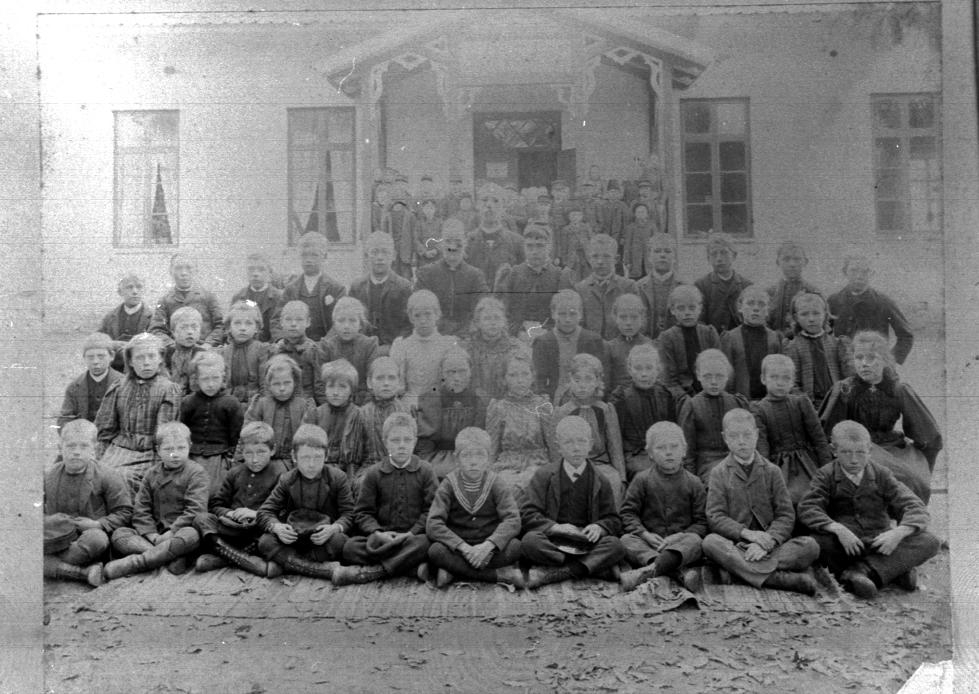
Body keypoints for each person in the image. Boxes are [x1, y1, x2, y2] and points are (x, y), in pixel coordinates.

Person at [798, 420, 940, 599]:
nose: (854, 460)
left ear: (870, 451)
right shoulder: (825, 475)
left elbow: (914, 505)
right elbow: (808, 507)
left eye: (860, 452)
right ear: (833, 450)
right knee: (816, 544)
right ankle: (894, 569)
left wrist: (898, 533)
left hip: (879, 542)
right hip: (846, 545)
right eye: (846, 452)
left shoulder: (882, 474)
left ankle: (861, 572)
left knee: (930, 541)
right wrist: (837, 529)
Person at [702, 409, 820, 595]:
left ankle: (738, 573)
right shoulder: (719, 473)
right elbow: (715, 517)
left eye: (747, 434)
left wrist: (767, 542)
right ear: (725, 438)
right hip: (737, 545)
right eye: (734, 436)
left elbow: (785, 515)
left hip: (770, 547)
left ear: (756, 435)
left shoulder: (772, 471)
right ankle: (776, 579)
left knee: (810, 546)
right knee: (710, 543)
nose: (741, 441)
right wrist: (748, 534)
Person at [818, 331, 940, 503]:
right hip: (859, 449)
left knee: (915, 479)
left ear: (884, 360)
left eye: (871, 358)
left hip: (893, 447)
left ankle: (909, 515)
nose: (864, 364)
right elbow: (826, 433)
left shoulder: (898, 389)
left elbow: (929, 435)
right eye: (859, 358)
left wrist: (923, 460)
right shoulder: (845, 390)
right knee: (894, 477)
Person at [520, 415, 626, 589]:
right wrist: (556, 527)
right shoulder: (544, 475)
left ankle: (561, 572)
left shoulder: (600, 479)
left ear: (590, 444)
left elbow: (613, 519)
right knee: (530, 541)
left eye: (581, 441)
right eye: (568, 442)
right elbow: (527, 513)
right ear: (558, 447)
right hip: (554, 541)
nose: (576, 448)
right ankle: (592, 567)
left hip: (585, 542)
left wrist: (599, 527)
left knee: (616, 546)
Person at [335, 413, 439, 586]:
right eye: (395, 440)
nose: (402, 445)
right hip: (382, 540)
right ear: (385, 442)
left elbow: (432, 510)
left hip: (413, 538)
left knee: (427, 544)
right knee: (349, 547)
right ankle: (411, 568)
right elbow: (363, 512)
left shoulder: (426, 471)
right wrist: (378, 533)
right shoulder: (374, 473)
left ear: (415, 441)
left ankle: (373, 572)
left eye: (407, 440)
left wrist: (411, 533)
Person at [103, 422, 208, 580]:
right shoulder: (151, 474)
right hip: (154, 535)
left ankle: (138, 562)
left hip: (179, 532)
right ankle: (169, 557)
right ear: (158, 450)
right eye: (168, 449)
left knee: (191, 535)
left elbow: (195, 510)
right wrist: (153, 536)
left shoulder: (197, 473)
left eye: (181, 448)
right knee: (120, 534)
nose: (175, 454)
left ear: (190, 447)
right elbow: (141, 509)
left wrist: (172, 532)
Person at [426, 427, 524, 588]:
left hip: (489, 549)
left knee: (516, 547)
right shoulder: (448, 484)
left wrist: (488, 546)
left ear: (488, 458)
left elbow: (512, 520)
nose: (473, 461)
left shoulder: (496, 483)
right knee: (436, 551)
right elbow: (433, 524)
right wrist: (464, 548)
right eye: (466, 455)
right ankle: (498, 575)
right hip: (459, 548)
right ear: (457, 459)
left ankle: (454, 572)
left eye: (480, 455)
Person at [255, 424, 355, 580]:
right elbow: (264, 512)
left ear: (326, 455)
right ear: (294, 456)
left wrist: (334, 528)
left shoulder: (338, 478)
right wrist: (277, 527)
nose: (311, 464)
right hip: (294, 539)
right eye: (305, 457)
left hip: (321, 540)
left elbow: (349, 513)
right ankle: (318, 569)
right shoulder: (287, 479)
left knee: (341, 542)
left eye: (318, 457)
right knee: (265, 542)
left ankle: (288, 564)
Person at [619, 421, 706, 592]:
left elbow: (702, 522)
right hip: (650, 544)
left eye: (674, 446)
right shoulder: (641, 479)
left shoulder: (694, 483)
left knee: (696, 541)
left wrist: (680, 536)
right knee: (625, 540)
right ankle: (676, 572)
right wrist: (645, 534)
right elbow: (628, 513)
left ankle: (648, 570)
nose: (668, 452)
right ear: (650, 453)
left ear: (684, 450)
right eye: (661, 448)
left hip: (680, 546)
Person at [192, 421, 287, 577]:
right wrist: (231, 513)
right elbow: (216, 505)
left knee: (271, 538)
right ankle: (245, 560)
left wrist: (255, 514)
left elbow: (282, 512)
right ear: (242, 451)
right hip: (231, 529)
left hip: (257, 531)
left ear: (272, 450)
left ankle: (223, 558)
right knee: (201, 519)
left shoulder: (280, 475)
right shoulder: (234, 473)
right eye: (248, 453)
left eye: (261, 452)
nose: (254, 459)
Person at [44, 420, 132, 587]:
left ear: (94, 449)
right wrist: (51, 521)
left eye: (84, 446)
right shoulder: (49, 475)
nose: (76, 452)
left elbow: (125, 512)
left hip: (88, 539)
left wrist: (98, 524)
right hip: (56, 538)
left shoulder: (108, 475)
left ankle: (50, 563)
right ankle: (83, 573)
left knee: (97, 539)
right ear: (60, 448)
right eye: (71, 446)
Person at [95, 333, 182, 494]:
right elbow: (105, 429)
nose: (146, 362)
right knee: (98, 475)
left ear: (160, 359)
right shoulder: (119, 387)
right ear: (130, 361)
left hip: (149, 452)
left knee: (123, 478)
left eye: (151, 356)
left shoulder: (168, 390)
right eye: (140, 357)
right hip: (119, 448)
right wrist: (98, 455)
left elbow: (164, 434)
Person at [750, 355, 832, 506]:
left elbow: (819, 439)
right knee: (786, 497)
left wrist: (827, 469)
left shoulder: (801, 402)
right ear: (763, 379)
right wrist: (766, 478)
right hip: (779, 467)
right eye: (774, 377)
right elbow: (762, 448)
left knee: (818, 493)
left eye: (786, 378)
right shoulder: (759, 410)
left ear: (793, 381)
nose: (780, 383)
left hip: (807, 463)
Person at [679, 350, 764, 485]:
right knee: (726, 480)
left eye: (719, 376)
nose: (714, 382)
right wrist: (692, 479)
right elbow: (688, 449)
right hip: (708, 463)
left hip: (738, 457)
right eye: (708, 376)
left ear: (727, 376)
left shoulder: (737, 402)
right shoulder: (692, 406)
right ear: (698, 376)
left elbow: (752, 437)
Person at [554, 354, 627, 507]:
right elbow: (557, 448)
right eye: (577, 380)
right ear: (570, 381)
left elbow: (615, 447)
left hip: (599, 463)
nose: (582, 385)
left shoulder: (605, 410)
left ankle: (610, 519)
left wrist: (621, 477)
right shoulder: (563, 411)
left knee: (612, 481)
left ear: (597, 381)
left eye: (588, 379)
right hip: (572, 463)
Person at [609, 343, 683, 481]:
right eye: (638, 368)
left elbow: (672, 430)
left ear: (658, 369)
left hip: (662, 450)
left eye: (649, 368)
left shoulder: (665, 395)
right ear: (630, 370)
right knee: (651, 475)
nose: (644, 374)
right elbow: (616, 439)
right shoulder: (621, 398)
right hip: (635, 454)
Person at [486, 351, 557, 490]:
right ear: (504, 379)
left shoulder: (542, 405)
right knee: (505, 486)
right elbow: (492, 448)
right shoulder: (498, 408)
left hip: (538, 464)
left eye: (525, 374)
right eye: (513, 375)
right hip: (507, 465)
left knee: (534, 482)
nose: (520, 380)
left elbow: (552, 444)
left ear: (532, 377)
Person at [827, 254, 913, 364]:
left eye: (865, 271)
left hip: (873, 365)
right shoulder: (834, 301)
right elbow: (825, 334)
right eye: (854, 270)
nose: (859, 276)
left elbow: (906, 335)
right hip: (842, 365)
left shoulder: (883, 302)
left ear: (872, 274)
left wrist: (890, 360)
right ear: (845, 272)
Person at [179, 352, 244, 497]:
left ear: (223, 378)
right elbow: (182, 430)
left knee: (215, 490)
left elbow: (235, 435)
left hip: (219, 457)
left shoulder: (231, 403)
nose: (210, 384)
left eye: (215, 378)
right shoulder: (188, 402)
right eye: (205, 379)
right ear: (196, 379)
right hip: (192, 455)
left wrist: (230, 457)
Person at [416, 347, 486, 479]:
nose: (456, 378)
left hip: (469, 456)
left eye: (462, 371)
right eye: (450, 372)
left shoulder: (477, 399)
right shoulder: (433, 398)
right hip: (438, 456)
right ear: (442, 373)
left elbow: (479, 440)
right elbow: (425, 443)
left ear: (470, 372)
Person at [414, 220, 489, 337]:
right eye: (448, 241)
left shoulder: (476, 276)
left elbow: (481, 311)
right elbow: (419, 310)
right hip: (434, 336)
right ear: (441, 244)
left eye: (458, 242)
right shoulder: (426, 274)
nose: (452, 247)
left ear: (465, 243)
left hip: (466, 337)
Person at [532, 289, 608, 402]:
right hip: (554, 400)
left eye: (573, 314)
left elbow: (601, 376)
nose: (567, 319)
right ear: (553, 313)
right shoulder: (543, 342)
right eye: (562, 314)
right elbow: (539, 380)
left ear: (580, 313)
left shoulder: (592, 340)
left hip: (587, 398)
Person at [243, 355, 316, 470]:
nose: (282, 388)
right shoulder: (260, 405)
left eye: (287, 383)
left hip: (295, 464)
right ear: (269, 385)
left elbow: (308, 440)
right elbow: (247, 436)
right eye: (276, 384)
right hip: (263, 463)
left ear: (295, 382)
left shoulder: (304, 406)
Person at [272, 231, 346, 342]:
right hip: (295, 345)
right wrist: (282, 339)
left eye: (314, 255)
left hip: (326, 345)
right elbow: (277, 320)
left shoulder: (336, 289)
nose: (308, 260)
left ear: (324, 257)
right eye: (304, 255)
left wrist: (326, 343)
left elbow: (342, 321)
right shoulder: (291, 289)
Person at [389, 290, 459, 405]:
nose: (423, 320)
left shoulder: (449, 344)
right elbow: (398, 386)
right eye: (417, 315)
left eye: (428, 314)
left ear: (437, 314)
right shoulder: (401, 345)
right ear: (410, 317)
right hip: (409, 403)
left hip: (439, 403)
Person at [493, 225, 563, 340]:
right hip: (518, 338)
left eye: (540, 246)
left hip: (550, 339)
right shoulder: (514, 274)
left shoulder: (559, 275)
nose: (534, 251)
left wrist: (547, 333)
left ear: (549, 247)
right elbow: (505, 313)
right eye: (529, 246)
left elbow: (563, 317)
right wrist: (518, 333)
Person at [348, 231, 413, 353]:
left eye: (385, 252)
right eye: (374, 252)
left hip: (393, 350)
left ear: (393, 255)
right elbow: (349, 320)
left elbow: (409, 325)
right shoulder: (357, 287)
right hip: (362, 351)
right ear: (366, 255)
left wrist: (395, 345)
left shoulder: (404, 287)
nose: (380, 257)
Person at [783, 292, 852, 405]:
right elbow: (792, 382)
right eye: (804, 314)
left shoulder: (837, 344)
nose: (811, 319)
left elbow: (849, 377)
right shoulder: (792, 347)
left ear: (825, 314)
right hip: (808, 405)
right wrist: (804, 403)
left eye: (816, 313)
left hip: (837, 403)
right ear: (796, 317)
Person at [305, 359, 365, 486]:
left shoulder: (359, 415)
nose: (336, 392)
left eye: (342, 386)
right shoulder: (316, 414)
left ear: (351, 390)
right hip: (318, 469)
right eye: (331, 386)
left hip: (349, 472)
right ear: (325, 388)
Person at [719, 285, 785, 400]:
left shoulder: (775, 338)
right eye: (750, 303)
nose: (756, 309)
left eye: (761, 304)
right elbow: (726, 375)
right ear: (740, 307)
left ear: (767, 310)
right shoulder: (730, 338)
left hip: (769, 401)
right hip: (739, 400)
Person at [657, 285, 721, 399]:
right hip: (679, 397)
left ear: (700, 308)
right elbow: (669, 380)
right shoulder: (667, 338)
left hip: (710, 392)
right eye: (681, 308)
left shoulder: (709, 333)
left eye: (692, 307)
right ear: (673, 310)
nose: (687, 313)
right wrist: (686, 400)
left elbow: (719, 368)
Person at [148, 254, 224, 347]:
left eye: (189, 268)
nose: (184, 273)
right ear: (171, 271)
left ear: (196, 270)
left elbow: (221, 326)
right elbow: (156, 330)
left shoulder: (208, 297)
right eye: (178, 268)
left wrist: (208, 344)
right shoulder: (164, 301)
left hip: (204, 350)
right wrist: (172, 345)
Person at [574, 234, 639, 341]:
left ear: (616, 259)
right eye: (595, 256)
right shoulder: (580, 289)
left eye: (606, 256)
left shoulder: (628, 287)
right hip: (590, 346)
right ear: (589, 259)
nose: (600, 261)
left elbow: (636, 323)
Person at [58, 332, 124, 432]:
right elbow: (64, 419)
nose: (95, 361)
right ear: (84, 358)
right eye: (90, 357)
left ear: (112, 356)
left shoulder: (123, 384)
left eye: (101, 356)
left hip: (114, 438)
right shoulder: (74, 387)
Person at [319, 297, 379, 406]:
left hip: (362, 404)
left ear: (360, 324)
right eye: (341, 321)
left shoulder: (369, 345)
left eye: (352, 321)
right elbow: (320, 384)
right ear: (334, 324)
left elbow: (372, 382)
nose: (346, 326)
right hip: (332, 403)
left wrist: (363, 407)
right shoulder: (327, 346)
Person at [465, 182, 526, 290]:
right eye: (484, 200)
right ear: (477, 205)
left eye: (496, 201)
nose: (489, 205)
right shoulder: (467, 242)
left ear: (504, 206)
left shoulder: (517, 242)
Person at [461, 297, 523, 401]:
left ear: (504, 321)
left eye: (497, 318)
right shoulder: (467, 348)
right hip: (474, 401)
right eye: (487, 318)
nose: (493, 323)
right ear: (477, 322)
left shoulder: (515, 348)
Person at [358, 356, 415, 467]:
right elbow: (354, 456)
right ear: (369, 382)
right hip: (370, 468)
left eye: (391, 378)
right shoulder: (361, 414)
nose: (386, 383)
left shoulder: (406, 412)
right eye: (380, 378)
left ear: (399, 381)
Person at [693, 233, 752, 334]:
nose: (719, 258)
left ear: (734, 256)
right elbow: (699, 321)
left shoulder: (746, 286)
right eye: (714, 254)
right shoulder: (701, 285)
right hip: (712, 338)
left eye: (724, 253)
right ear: (708, 258)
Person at [270, 300, 326, 406]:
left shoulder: (313, 350)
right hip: (280, 401)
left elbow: (320, 386)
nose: (293, 324)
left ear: (308, 322)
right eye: (288, 319)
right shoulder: (276, 350)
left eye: (299, 319)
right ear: (281, 322)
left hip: (306, 403)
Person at [219, 300, 271, 409]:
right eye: (237, 323)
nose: (243, 328)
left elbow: (265, 387)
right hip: (228, 405)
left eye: (248, 323)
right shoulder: (224, 353)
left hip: (254, 405)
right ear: (229, 327)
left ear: (256, 328)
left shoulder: (262, 350)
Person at [765, 241, 820, 339]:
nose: (792, 264)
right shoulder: (768, 293)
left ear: (805, 262)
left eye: (797, 259)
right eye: (786, 259)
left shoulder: (813, 292)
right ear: (778, 262)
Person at [99, 273, 152, 371]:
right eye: (129, 287)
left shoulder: (153, 317)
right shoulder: (110, 318)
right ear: (120, 292)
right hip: (114, 369)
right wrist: (113, 344)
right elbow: (99, 341)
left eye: (139, 287)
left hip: (142, 368)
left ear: (144, 290)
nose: (135, 292)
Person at [636, 234, 682, 340]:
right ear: (649, 257)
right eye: (657, 251)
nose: (662, 255)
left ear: (675, 257)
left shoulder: (684, 287)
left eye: (667, 251)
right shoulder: (638, 287)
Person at [605, 293, 653, 391]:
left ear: (642, 318)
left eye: (634, 317)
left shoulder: (651, 345)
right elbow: (607, 383)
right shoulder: (609, 348)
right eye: (623, 317)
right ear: (615, 318)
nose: (628, 323)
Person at [230, 252, 283, 343]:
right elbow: (231, 326)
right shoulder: (239, 297)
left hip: (271, 345)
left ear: (269, 272)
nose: (255, 274)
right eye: (251, 269)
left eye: (261, 269)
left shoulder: (279, 298)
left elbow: (280, 327)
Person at [163, 306, 207, 396]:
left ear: (200, 331)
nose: (190, 332)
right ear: (173, 332)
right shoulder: (167, 353)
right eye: (184, 327)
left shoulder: (202, 354)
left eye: (194, 327)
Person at [382, 197, 418, 280]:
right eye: (395, 201)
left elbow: (414, 236)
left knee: (406, 276)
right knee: (393, 276)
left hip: (406, 252)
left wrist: (414, 254)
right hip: (393, 251)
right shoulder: (387, 217)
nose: (397, 204)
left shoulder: (410, 216)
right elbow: (384, 235)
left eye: (400, 201)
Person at [622, 202, 658, 280]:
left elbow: (656, 243)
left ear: (647, 214)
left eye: (643, 212)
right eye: (638, 212)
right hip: (635, 258)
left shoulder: (652, 226)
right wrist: (627, 261)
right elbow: (627, 245)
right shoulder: (631, 227)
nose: (641, 214)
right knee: (636, 278)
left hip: (648, 257)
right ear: (635, 214)